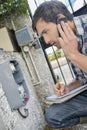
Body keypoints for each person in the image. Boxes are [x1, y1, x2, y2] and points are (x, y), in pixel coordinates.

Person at [32, 0, 87, 129]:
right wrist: (68, 87)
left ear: (61, 20)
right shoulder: (67, 40)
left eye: (46, 32)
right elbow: (82, 79)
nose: (46, 41)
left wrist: (74, 54)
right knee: (53, 115)